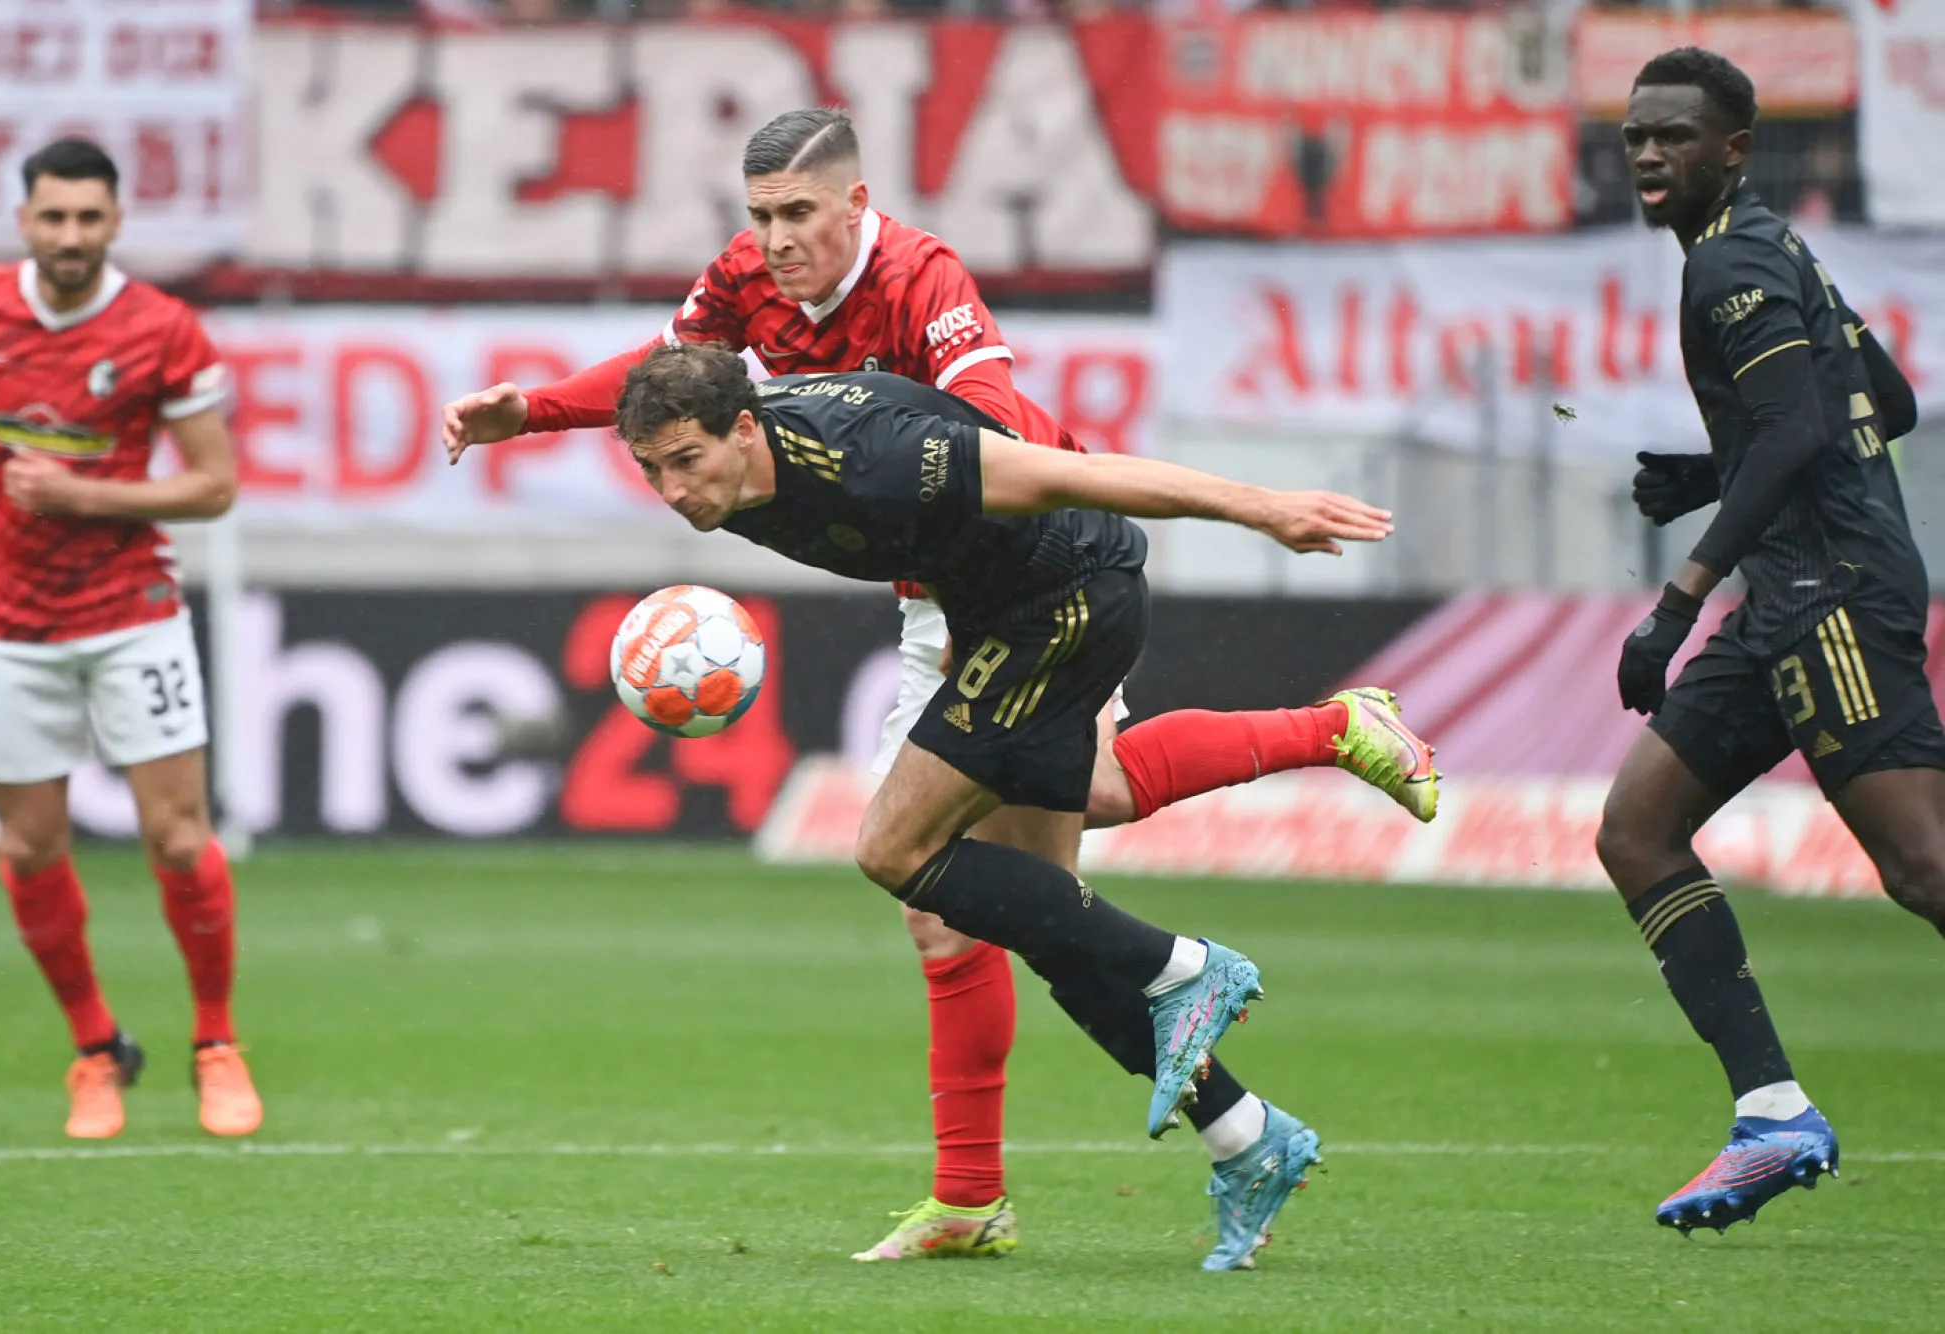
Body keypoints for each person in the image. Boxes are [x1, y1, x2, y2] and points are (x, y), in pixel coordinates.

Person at [441, 107, 1439, 1262]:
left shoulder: (921, 286)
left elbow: (1016, 438)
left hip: (1022, 557)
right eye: (759, 216)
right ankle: (1234, 1127)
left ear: (855, 207)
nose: (775, 240)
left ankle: (1096, 1067)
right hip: (955, 582)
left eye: (798, 214)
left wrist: (1243, 506)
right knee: (1046, 872)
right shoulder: (736, 318)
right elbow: (666, 386)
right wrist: (535, 411)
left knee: (934, 874)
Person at [608, 341, 1398, 1269]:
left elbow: (1074, 475)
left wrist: (1262, 507)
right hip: (1001, 616)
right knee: (1043, 916)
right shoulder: (735, 466)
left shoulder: (873, 456)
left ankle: (1183, 965)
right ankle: (1244, 1135)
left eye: (685, 462)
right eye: (650, 469)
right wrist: (534, 412)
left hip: (1065, 606)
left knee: (892, 846)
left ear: (744, 429)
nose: (672, 489)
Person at [1599, 48, 1936, 1235]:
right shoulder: (1768, 247)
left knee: (1922, 867)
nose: (1646, 153)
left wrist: (1676, 597)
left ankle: (1772, 1113)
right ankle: (1772, 1113)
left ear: (1730, 149)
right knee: (1635, 831)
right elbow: (1878, 404)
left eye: (1673, 136)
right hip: (1789, 589)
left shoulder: (1730, 261)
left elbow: (1802, 423)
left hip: (1829, 592)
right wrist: (1712, 468)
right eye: (1635, 134)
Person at [0, 140, 260, 1140]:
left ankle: (216, 1041)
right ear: (24, 221)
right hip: (7, 624)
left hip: (132, 615)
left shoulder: (162, 329)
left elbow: (212, 485)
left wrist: (82, 493)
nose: (71, 235)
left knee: (176, 836)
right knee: (33, 847)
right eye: (53, 217)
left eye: (89, 217)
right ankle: (95, 1048)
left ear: (117, 222)